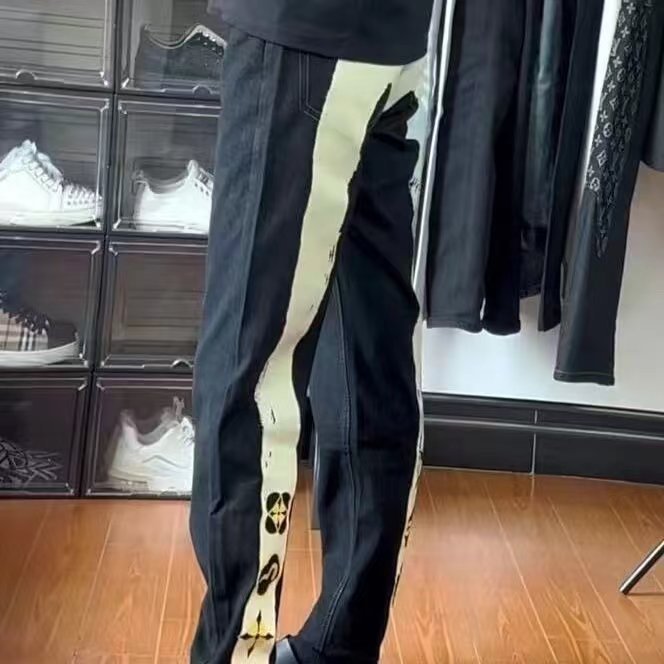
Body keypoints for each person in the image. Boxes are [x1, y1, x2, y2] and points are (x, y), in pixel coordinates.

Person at [190, 1, 435, 662]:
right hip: (392, 43)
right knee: (372, 356)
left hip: (301, 30)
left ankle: (235, 655)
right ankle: (338, 650)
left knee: (249, 372)